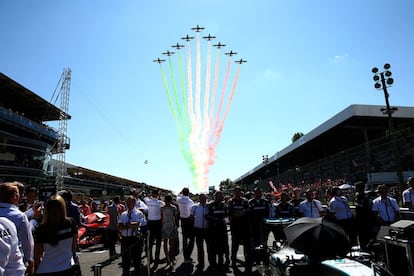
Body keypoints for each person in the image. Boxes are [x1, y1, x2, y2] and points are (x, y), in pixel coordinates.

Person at [33, 194, 78, 275]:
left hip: (45, 269)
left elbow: (37, 256)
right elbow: (73, 247)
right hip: (67, 267)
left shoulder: (41, 229)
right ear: (63, 208)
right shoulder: (70, 223)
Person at [0, 182, 34, 276]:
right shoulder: (20, 216)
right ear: (15, 196)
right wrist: (31, 262)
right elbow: (27, 242)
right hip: (14, 262)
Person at [118, 196, 146, 276]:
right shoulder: (123, 214)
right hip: (125, 239)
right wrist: (129, 225)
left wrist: (125, 225)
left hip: (135, 239)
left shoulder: (139, 213)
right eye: (127, 202)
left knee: (136, 261)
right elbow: (119, 226)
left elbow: (137, 224)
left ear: (134, 203)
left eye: (130, 202)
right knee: (125, 261)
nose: (128, 204)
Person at [205, 190, 229, 272]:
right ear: (215, 197)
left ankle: (220, 264)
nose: (220, 197)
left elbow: (226, 216)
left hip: (222, 230)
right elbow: (207, 216)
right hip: (212, 231)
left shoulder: (224, 205)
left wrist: (226, 222)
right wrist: (217, 220)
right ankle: (212, 264)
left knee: (222, 248)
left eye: (221, 196)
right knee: (212, 249)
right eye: (218, 196)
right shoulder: (209, 205)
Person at [228, 186, 249, 267]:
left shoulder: (245, 201)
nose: (237, 193)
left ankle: (247, 259)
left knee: (246, 244)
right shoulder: (230, 201)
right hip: (235, 226)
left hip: (244, 226)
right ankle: (233, 259)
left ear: (241, 192)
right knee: (235, 244)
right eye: (235, 192)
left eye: (238, 191)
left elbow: (248, 210)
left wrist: (242, 212)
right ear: (233, 193)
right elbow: (229, 211)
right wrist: (237, 213)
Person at [354, 182, 378, 250]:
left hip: (366, 221)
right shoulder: (357, 196)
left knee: (367, 238)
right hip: (359, 221)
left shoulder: (366, 197)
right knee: (361, 238)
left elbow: (370, 209)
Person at [144, 189, 165, 265]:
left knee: (150, 242)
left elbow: (145, 198)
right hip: (158, 223)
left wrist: (149, 196)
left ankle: (150, 258)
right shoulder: (160, 203)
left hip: (150, 223)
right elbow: (163, 204)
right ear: (158, 195)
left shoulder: (147, 201)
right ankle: (157, 258)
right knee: (158, 242)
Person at [176, 187, 195, 263]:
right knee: (192, 239)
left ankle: (185, 257)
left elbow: (177, 195)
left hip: (183, 220)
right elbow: (192, 211)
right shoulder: (191, 201)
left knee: (184, 239)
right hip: (190, 221)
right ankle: (188, 255)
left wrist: (180, 193)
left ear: (182, 192)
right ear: (188, 192)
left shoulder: (179, 200)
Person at [191, 193, 209, 270]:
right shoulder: (195, 206)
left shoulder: (209, 206)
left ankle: (211, 262)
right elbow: (191, 216)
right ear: (199, 198)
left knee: (209, 247)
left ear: (206, 198)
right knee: (200, 247)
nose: (202, 199)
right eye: (201, 198)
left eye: (204, 198)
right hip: (198, 229)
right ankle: (200, 262)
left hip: (207, 229)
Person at [160, 194, 179, 266]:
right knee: (172, 244)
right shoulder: (174, 208)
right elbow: (176, 218)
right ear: (171, 200)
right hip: (171, 226)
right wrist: (177, 225)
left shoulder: (162, 208)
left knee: (165, 242)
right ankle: (171, 258)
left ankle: (167, 258)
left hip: (164, 226)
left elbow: (161, 217)